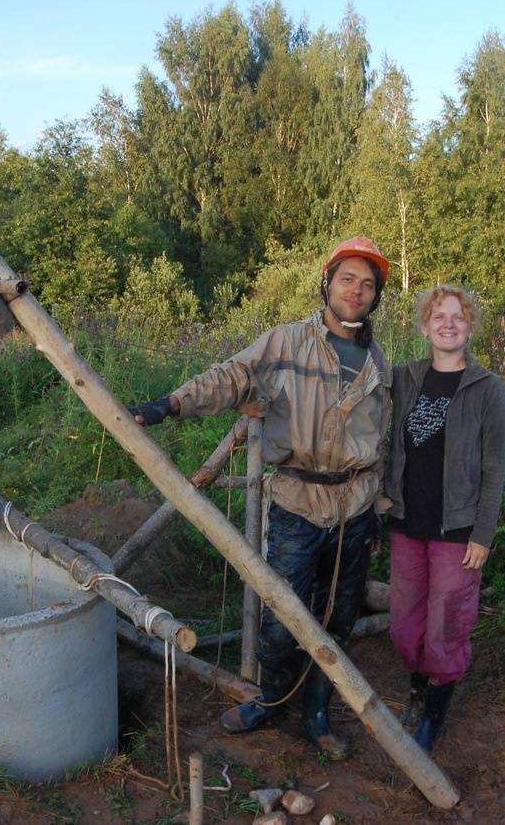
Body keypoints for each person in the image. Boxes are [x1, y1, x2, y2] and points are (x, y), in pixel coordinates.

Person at [127, 236, 392, 760]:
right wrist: (171, 404)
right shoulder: (288, 342)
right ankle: (271, 700)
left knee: (338, 618)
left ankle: (316, 712)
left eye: (367, 284)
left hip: (355, 508)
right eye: (348, 279)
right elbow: (232, 377)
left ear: (375, 296)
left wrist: (380, 507)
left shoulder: (378, 362)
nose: (357, 291)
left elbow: (382, 440)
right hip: (298, 503)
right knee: (282, 617)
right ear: (327, 283)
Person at [382, 284, 505, 754]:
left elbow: (495, 466)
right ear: (424, 326)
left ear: (470, 326)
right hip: (407, 521)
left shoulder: (487, 387)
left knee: (446, 626)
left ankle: (433, 716)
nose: (448, 324)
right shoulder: (405, 378)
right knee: (404, 627)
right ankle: (417, 692)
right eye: (439, 316)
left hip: (458, 530)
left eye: (458, 316)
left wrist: (483, 533)